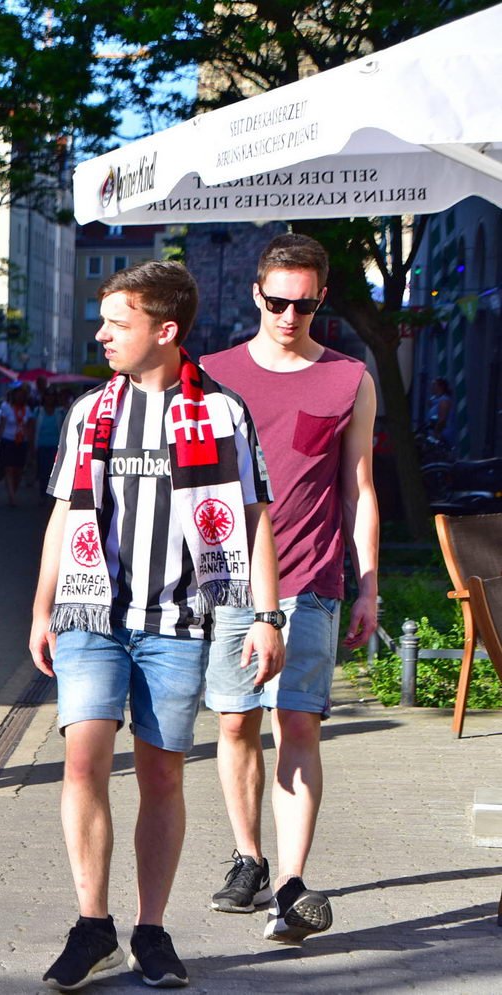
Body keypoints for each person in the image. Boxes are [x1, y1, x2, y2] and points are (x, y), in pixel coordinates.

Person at [29, 260, 281, 990]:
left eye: (118, 322)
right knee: (84, 761)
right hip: (91, 613)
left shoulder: (223, 412)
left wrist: (265, 616)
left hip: (176, 620)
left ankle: (150, 930)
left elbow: (254, 518)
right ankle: (92, 926)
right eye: (103, 321)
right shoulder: (89, 411)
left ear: (166, 330)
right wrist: (41, 607)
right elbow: (64, 512)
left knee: (162, 773)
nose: (102, 334)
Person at [200, 232, 378, 943]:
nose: (288, 316)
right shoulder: (210, 375)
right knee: (235, 720)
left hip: (311, 575)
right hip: (228, 581)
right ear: (256, 294)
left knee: (297, 722)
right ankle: (248, 856)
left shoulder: (348, 378)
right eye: (276, 302)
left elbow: (358, 488)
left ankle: (292, 885)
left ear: (321, 298)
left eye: (302, 305)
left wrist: (368, 585)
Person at [0, 384, 35, 506]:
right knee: (9, 468)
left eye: (22, 395)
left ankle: (13, 491)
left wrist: (31, 446)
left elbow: (30, 428)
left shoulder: (27, 410)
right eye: (18, 395)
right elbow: (1, 426)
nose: (19, 397)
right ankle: (11, 496)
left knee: (19, 470)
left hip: (22, 442)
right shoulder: (6, 408)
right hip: (8, 441)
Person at [30, 388, 64, 490]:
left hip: (56, 447)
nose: (50, 398)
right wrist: (32, 447)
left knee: (54, 471)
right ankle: (43, 493)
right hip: (41, 446)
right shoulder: (38, 411)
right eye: (48, 396)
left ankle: (52, 493)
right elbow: (33, 430)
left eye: (52, 396)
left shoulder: (60, 412)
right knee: (43, 471)